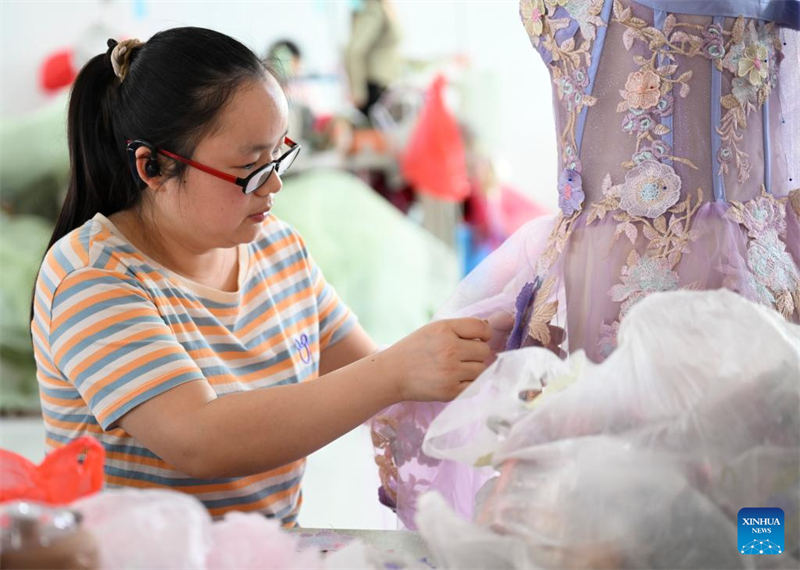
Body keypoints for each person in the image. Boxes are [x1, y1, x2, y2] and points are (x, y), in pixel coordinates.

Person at [29, 27, 493, 526]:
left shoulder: (278, 248)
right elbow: (202, 440)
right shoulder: (89, 278)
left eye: (278, 156)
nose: (273, 184)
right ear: (153, 167)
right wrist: (396, 373)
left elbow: (367, 372)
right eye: (249, 166)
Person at [374, 0, 800, 528]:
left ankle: (755, 557)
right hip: (599, 275)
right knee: (611, 504)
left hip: (730, 267)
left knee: (749, 481)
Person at [344, 0, 402, 119]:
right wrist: (357, 91)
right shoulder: (372, 8)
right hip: (373, 89)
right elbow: (354, 50)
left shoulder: (383, 6)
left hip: (384, 86)